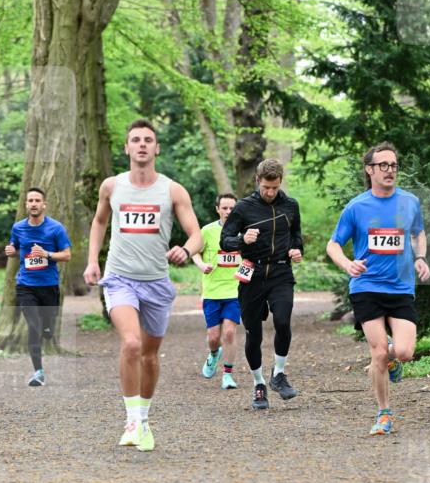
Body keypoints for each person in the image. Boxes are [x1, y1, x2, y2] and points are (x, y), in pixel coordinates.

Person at [83, 119, 202, 451]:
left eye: (148, 140)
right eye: (135, 139)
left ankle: (144, 421)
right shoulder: (112, 186)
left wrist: (185, 250)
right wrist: (93, 260)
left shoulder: (172, 190)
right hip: (120, 279)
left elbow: (195, 235)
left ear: (156, 148)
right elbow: (100, 221)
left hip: (156, 284)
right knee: (132, 344)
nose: (141, 145)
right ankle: (131, 420)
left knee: (149, 355)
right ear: (127, 147)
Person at [326, 141, 430, 436]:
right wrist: (347, 264)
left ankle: (394, 360)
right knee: (378, 352)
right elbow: (333, 244)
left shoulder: (409, 201)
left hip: (400, 287)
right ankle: (384, 414)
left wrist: (420, 257)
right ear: (369, 170)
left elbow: (418, 232)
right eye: (383, 165)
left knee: (406, 351)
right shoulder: (357, 207)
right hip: (367, 286)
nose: (390, 170)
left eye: (394, 165)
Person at [220, 158, 303, 411]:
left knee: (282, 320)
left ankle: (278, 375)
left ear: (280, 184)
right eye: (266, 187)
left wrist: (297, 249)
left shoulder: (290, 206)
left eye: (274, 188)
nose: (270, 193)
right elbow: (225, 240)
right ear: (258, 181)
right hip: (252, 273)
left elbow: (297, 235)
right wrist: (242, 238)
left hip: (280, 272)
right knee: (253, 333)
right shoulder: (244, 208)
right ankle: (259, 384)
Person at [5, 187, 71, 387]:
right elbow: (16, 248)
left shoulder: (56, 228)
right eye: (30, 200)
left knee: (47, 328)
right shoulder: (18, 227)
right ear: (26, 204)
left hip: (49, 285)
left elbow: (66, 255)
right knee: (34, 326)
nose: (33, 203)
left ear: (44, 205)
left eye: (37, 200)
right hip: (26, 285)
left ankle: (49, 329)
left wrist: (47, 254)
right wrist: (11, 250)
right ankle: (38, 372)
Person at [191, 193, 241, 390]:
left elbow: (250, 259)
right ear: (218, 209)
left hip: (234, 291)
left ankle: (227, 375)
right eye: (225, 208)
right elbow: (194, 251)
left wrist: (244, 277)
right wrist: (202, 265)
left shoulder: (243, 231)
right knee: (213, 337)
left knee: (229, 333)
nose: (228, 212)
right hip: (212, 292)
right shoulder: (207, 231)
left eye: (232, 208)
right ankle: (213, 354)